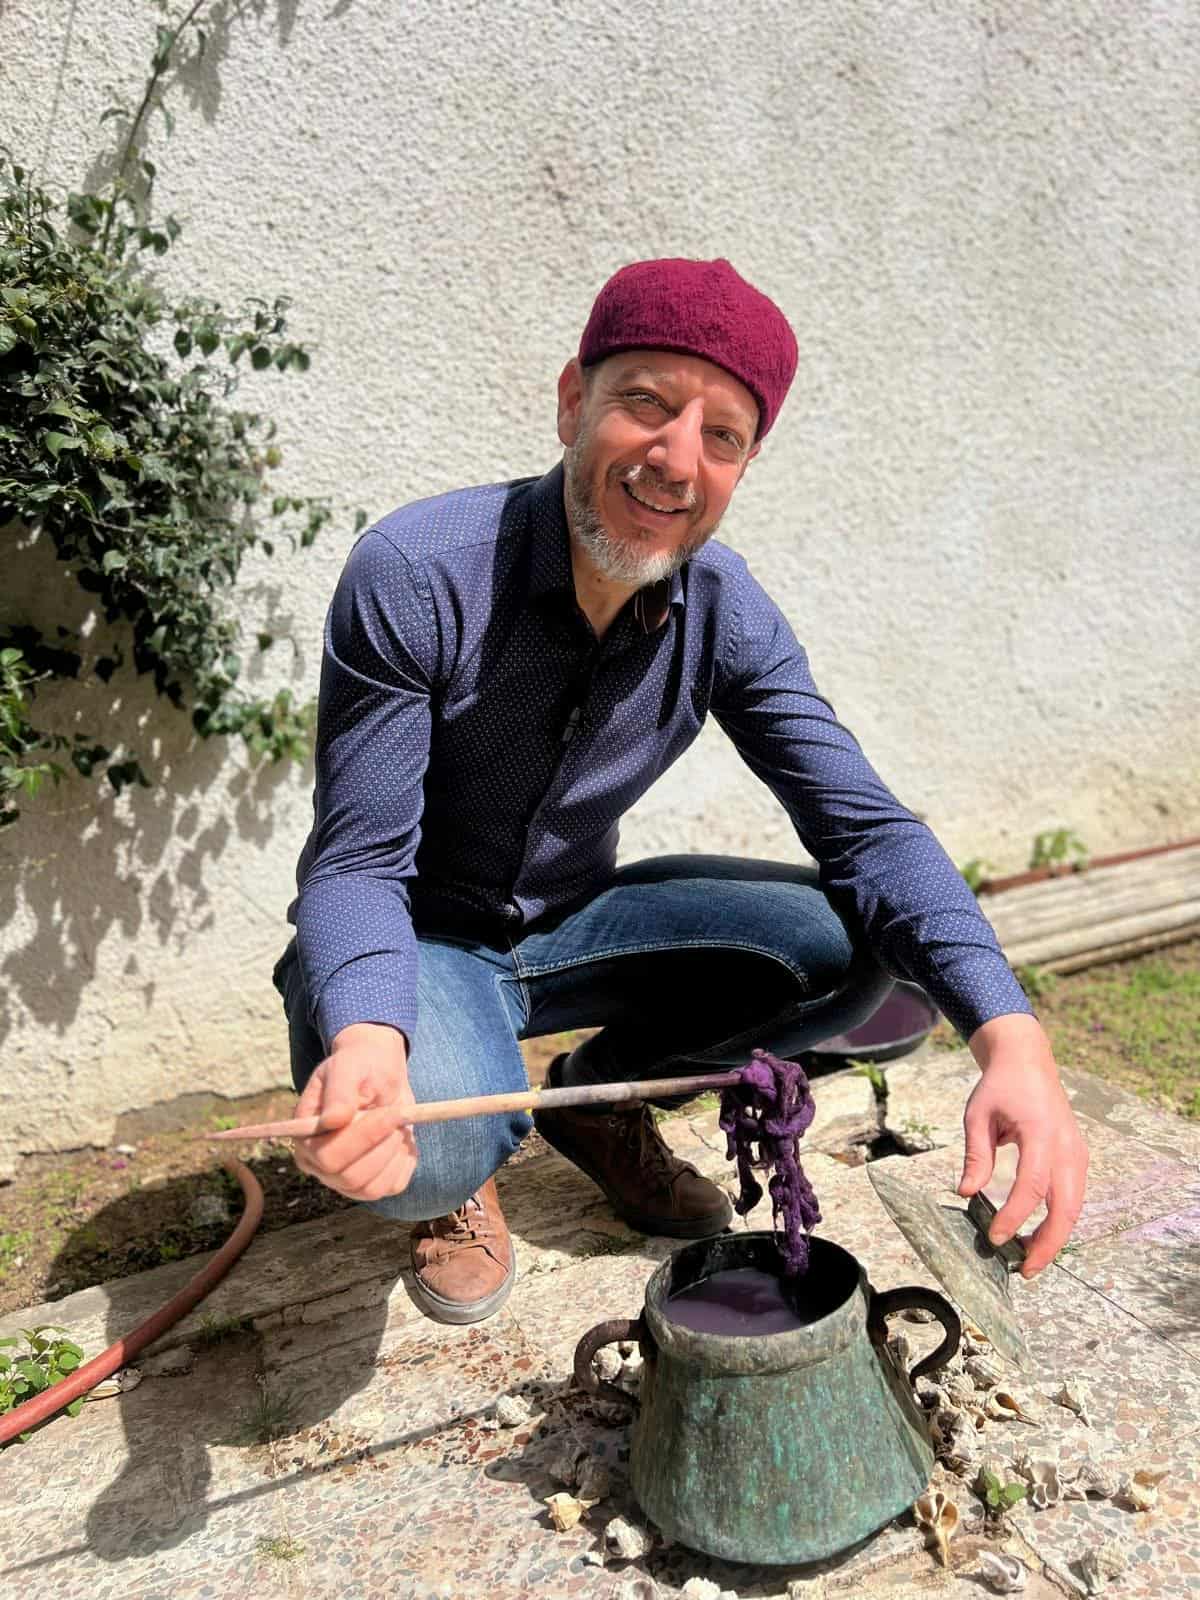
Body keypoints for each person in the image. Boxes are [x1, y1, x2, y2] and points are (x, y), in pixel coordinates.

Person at [273, 257, 1089, 1326]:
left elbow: (871, 830)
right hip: (422, 939)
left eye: (722, 435)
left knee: (854, 950)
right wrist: (373, 1035)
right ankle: (461, 1159)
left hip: (570, 928)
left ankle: (602, 1100)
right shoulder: (418, 572)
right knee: (423, 1153)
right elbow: (356, 864)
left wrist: (1012, 1035)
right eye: (646, 405)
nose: (674, 459)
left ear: (744, 465)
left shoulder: (725, 609)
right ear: (575, 402)